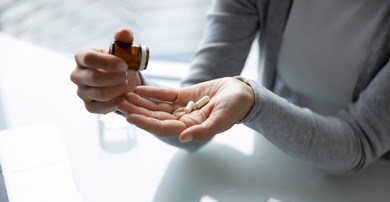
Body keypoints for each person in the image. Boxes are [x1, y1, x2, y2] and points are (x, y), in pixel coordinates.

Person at [70, 0, 390, 174]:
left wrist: (254, 103)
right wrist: (129, 87)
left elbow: (357, 143)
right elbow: (190, 118)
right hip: (277, 166)